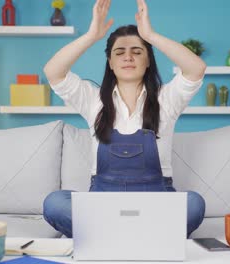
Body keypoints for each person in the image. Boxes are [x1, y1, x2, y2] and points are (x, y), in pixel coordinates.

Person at [42, 0, 207, 238]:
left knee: (194, 204)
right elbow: (53, 71)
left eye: (137, 51)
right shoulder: (93, 100)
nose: (128, 57)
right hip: (102, 203)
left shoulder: (167, 99)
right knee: (55, 203)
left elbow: (196, 68)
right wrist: (91, 36)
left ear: (148, 60)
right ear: (110, 63)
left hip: (156, 203)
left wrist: (150, 35)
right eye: (120, 52)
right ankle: (144, 238)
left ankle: (107, 238)